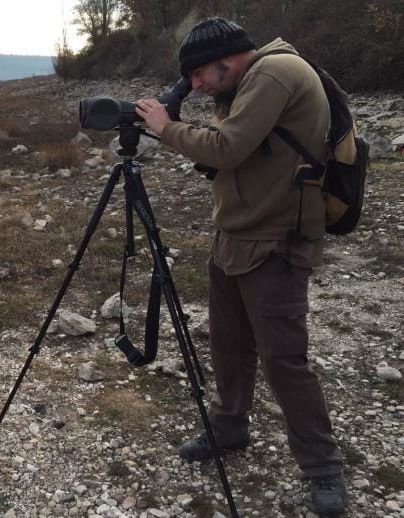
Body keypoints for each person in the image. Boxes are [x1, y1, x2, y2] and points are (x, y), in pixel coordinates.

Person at [135, 17, 347, 515]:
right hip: (235, 234)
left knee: (284, 359)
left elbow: (227, 148)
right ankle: (229, 428)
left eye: (200, 77)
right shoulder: (250, 81)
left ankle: (324, 467)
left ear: (224, 59)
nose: (198, 87)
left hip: (275, 239)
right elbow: (238, 146)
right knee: (229, 345)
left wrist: (166, 128)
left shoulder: (274, 74)